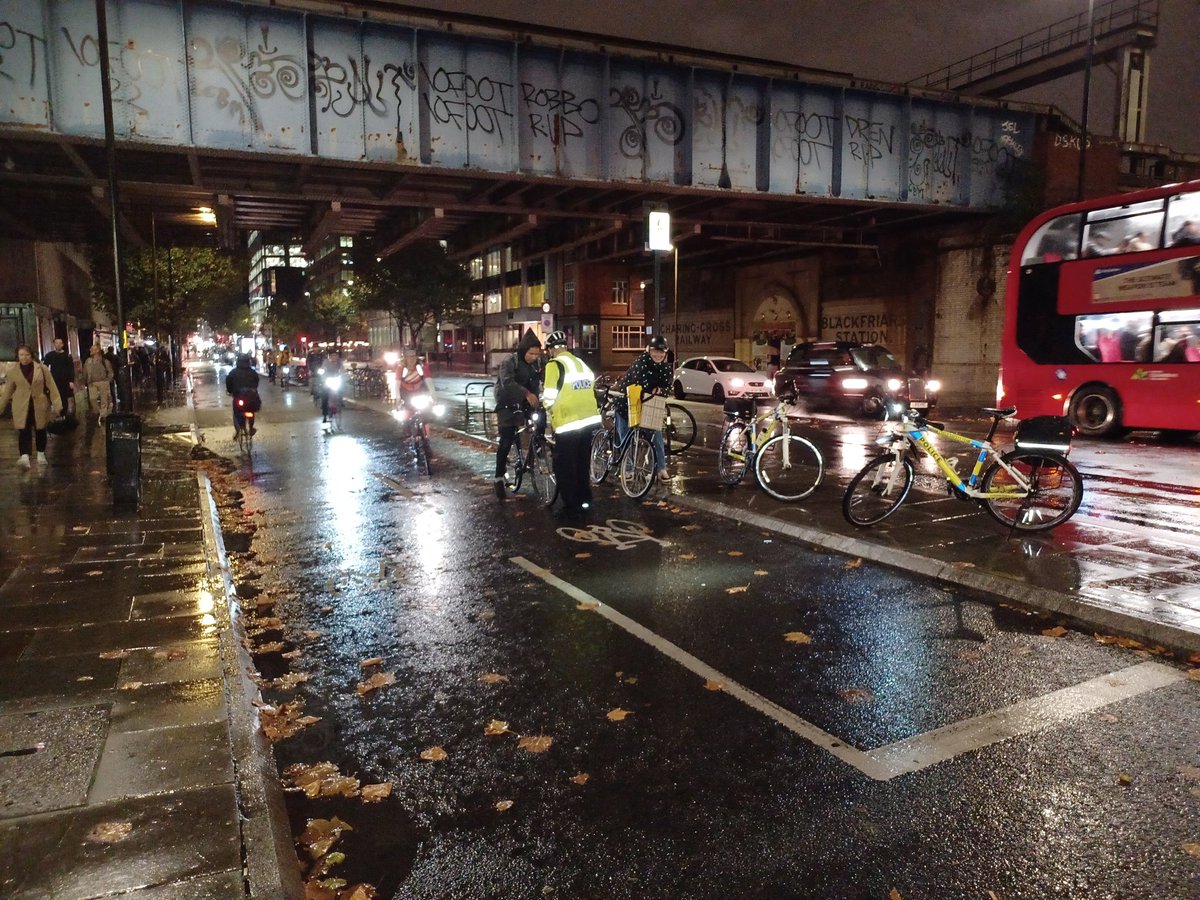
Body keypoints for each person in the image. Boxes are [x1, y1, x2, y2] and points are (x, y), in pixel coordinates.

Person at [541, 331, 601, 517]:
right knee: (582, 462)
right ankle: (585, 499)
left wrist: (546, 407)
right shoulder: (580, 363)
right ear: (566, 347)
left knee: (564, 464)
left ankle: (571, 504)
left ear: (551, 349)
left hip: (568, 422)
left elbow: (550, 395)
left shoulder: (554, 365)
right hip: (588, 420)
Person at [613, 335, 674, 482]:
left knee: (657, 435)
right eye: (655, 351)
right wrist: (654, 390)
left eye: (661, 352)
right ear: (649, 351)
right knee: (626, 436)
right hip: (626, 403)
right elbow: (640, 384)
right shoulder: (640, 363)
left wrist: (660, 390)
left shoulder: (666, 368)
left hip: (648, 405)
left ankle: (661, 469)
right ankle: (627, 468)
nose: (658, 355)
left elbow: (667, 388)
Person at [493, 329, 543, 500]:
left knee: (539, 422)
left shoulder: (536, 364)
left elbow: (536, 383)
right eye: (531, 353)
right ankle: (499, 477)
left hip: (524, 403)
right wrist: (527, 394)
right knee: (506, 441)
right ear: (524, 351)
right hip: (507, 403)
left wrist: (537, 400)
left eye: (537, 354)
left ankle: (536, 451)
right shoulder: (510, 362)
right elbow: (507, 383)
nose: (534, 357)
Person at [0, 344, 62, 470]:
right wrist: (1, 406)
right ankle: (24, 456)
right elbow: (8, 391)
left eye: (27, 355)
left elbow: (52, 386)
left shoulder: (42, 368)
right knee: (23, 430)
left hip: (39, 403)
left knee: (40, 429)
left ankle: (40, 453)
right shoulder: (13, 371)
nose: (24, 358)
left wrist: (57, 405)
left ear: (32, 355)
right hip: (21, 405)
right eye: (21, 355)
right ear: (17, 356)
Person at [224, 354, 261, 440]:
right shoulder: (253, 372)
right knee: (251, 411)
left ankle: (238, 430)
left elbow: (228, 382)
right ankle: (251, 428)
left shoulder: (233, 372)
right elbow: (256, 382)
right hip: (252, 398)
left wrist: (230, 391)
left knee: (236, 413)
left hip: (238, 397)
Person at [42, 338, 77, 417]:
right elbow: (44, 367)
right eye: (56, 343)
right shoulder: (50, 355)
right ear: (54, 344)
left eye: (59, 343)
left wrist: (71, 381)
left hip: (65, 381)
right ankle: (57, 413)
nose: (58, 345)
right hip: (54, 380)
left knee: (64, 397)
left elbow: (71, 369)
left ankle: (64, 413)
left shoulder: (67, 356)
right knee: (55, 396)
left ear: (62, 344)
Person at [81, 344, 115, 424]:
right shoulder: (88, 361)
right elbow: (85, 372)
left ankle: (103, 415)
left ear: (97, 351)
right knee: (92, 399)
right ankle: (99, 412)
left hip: (103, 382)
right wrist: (84, 381)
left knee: (104, 399)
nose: (90, 351)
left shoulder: (104, 361)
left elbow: (110, 372)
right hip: (92, 382)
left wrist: (108, 380)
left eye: (92, 349)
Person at [320, 349, 343, 423]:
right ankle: (325, 414)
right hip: (328, 381)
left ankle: (340, 402)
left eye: (335, 355)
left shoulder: (339, 362)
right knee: (325, 396)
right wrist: (323, 378)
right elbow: (322, 370)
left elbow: (343, 371)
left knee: (341, 390)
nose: (334, 357)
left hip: (336, 380)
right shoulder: (326, 362)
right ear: (329, 356)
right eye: (332, 355)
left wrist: (344, 376)